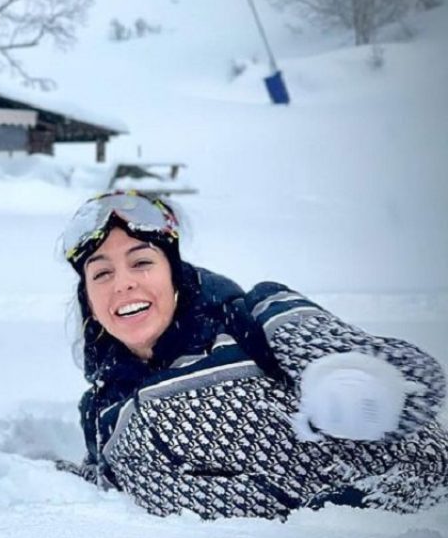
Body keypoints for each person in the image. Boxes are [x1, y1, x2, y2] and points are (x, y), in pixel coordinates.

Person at [58, 190, 448, 519]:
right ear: (88, 298)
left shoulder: (256, 320)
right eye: (101, 273)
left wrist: (354, 381)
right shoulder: (102, 411)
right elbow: (102, 492)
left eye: (142, 262)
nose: (123, 284)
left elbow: (412, 382)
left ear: (173, 273)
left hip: (412, 532)